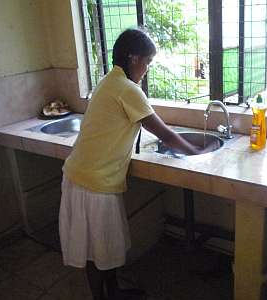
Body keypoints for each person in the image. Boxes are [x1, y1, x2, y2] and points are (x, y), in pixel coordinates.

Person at [59, 28, 219, 300]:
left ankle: (114, 292)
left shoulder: (109, 81)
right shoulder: (127, 89)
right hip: (93, 184)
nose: (147, 69)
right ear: (134, 58)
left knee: (101, 249)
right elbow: (165, 134)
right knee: (97, 251)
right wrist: (197, 151)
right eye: (147, 62)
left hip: (82, 176)